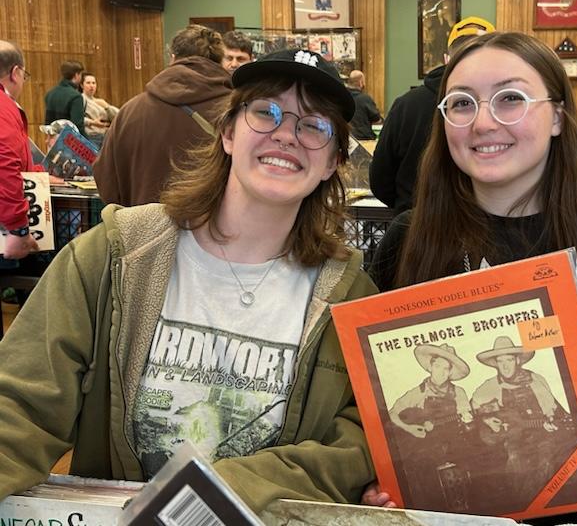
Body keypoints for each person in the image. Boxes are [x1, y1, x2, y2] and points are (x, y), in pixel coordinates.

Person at [0, 48, 380, 511]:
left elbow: (360, 437)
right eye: (266, 112)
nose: (286, 134)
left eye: (314, 125)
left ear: (333, 161)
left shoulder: (350, 298)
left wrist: (231, 487)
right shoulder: (114, 256)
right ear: (228, 133)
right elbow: (19, 404)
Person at [364, 32, 577, 525]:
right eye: (461, 103)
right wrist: (380, 480)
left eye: (511, 98)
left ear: (559, 117)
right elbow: (374, 396)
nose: (483, 122)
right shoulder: (409, 240)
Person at [93, 25, 232, 207]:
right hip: (215, 223)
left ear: (172, 58)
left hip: (142, 223)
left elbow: (107, 183)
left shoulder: (130, 111)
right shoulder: (237, 111)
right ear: (220, 62)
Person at [370, 16, 495, 212]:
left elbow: (380, 180)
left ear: (446, 59)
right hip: (480, 221)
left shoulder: (406, 104)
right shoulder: (503, 110)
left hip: (412, 221)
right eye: (461, 104)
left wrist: (410, 208)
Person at [469, 336, 576, 513]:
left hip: (542, 435)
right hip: (514, 439)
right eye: (500, 361)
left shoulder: (535, 380)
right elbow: (471, 408)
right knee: (515, 460)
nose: (505, 366)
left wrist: (549, 420)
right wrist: (487, 420)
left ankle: (541, 508)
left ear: (517, 360)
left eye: (509, 360)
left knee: (545, 459)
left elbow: (551, 409)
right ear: (496, 364)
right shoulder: (490, 386)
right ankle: (524, 508)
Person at [387, 343, 473, 510]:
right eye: (438, 366)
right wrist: (409, 428)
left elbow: (466, 416)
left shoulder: (458, 392)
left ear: (450, 372)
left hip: (453, 444)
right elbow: (392, 414)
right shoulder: (418, 392)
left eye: (446, 368)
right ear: (430, 367)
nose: (441, 372)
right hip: (425, 449)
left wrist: (467, 418)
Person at [0, 41, 39, 261]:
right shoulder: (4, 107)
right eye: (25, 75)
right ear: (15, 73)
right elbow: (4, 162)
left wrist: (39, 174)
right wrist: (18, 229)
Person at [44, 60, 85, 135]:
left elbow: (48, 124)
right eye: (81, 74)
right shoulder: (76, 96)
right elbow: (78, 126)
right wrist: (88, 142)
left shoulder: (50, 94)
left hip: (53, 138)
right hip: (69, 140)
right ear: (76, 75)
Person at [81, 72, 119, 148]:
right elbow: (78, 119)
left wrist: (106, 107)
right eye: (88, 83)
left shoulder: (99, 101)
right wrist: (92, 122)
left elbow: (118, 114)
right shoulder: (81, 99)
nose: (91, 86)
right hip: (92, 136)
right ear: (82, 85)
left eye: (93, 83)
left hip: (105, 136)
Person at [346, 70, 382, 140]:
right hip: (364, 139)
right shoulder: (365, 99)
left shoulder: (342, 98)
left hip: (347, 138)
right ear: (361, 82)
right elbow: (377, 119)